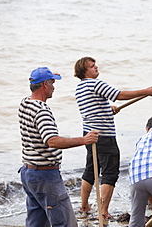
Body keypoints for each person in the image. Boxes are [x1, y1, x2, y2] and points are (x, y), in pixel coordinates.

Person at [74, 57, 152, 220]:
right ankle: (104, 210)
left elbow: (92, 107)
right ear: (85, 72)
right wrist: (145, 92)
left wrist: (108, 109)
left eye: (95, 65)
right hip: (105, 136)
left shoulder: (80, 88)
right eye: (92, 67)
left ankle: (84, 206)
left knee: (91, 170)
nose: (96, 68)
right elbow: (119, 95)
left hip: (90, 135)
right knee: (110, 172)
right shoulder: (95, 84)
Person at [18, 67, 99, 227]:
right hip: (45, 176)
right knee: (64, 223)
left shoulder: (25, 103)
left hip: (29, 173)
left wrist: (48, 76)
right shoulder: (42, 112)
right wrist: (84, 140)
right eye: (52, 83)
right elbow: (52, 141)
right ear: (44, 85)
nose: (54, 87)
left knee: (37, 223)